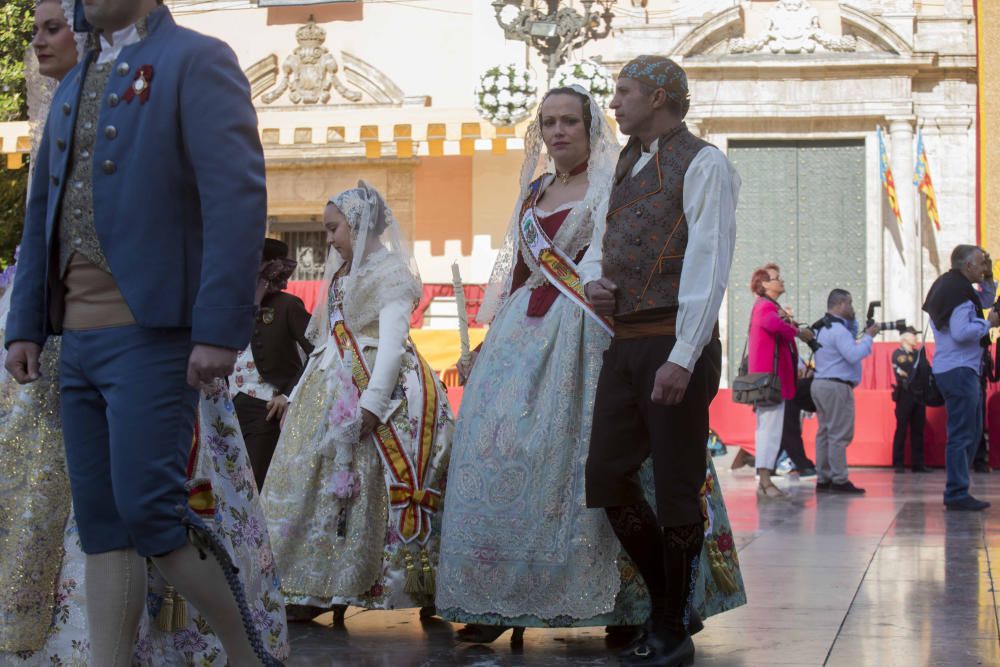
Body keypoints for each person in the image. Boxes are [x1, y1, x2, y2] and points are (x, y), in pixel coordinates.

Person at [1, 1, 288, 663]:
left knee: (153, 514)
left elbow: (236, 195)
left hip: (153, 334)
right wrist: (26, 324)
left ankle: (251, 655)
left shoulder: (198, 59)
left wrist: (218, 327)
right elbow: (44, 205)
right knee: (104, 527)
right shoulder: (74, 78)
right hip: (75, 342)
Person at [435, 85, 745, 645]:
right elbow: (518, 270)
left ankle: (629, 604)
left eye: (569, 122)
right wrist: (490, 334)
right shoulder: (534, 193)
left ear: (590, 127)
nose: (557, 132)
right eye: (548, 122)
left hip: (589, 334)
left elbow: (625, 257)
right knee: (500, 457)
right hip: (522, 338)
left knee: (588, 463)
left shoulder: (614, 185)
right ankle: (499, 597)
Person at [581, 56, 740, 667]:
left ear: (660, 95)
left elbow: (710, 263)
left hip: (676, 342)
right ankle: (670, 601)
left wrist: (684, 355)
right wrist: (596, 279)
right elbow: (600, 244)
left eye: (625, 92)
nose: (614, 103)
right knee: (606, 475)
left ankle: (670, 626)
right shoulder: (625, 165)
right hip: (625, 341)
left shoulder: (704, 163)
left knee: (676, 486)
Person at [262, 182, 453, 622]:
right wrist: (296, 394)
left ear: (361, 224)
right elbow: (326, 342)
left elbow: (391, 344)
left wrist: (371, 405)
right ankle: (307, 584)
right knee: (309, 480)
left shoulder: (390, 273)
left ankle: (389, 584)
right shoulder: (340, 274)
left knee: (367, 486)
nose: (329, 239)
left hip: (378, 389)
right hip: (328, 384)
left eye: (334, 229)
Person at [230, 238, 313, 490]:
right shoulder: (233, 306)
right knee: (228, 482)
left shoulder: (288, 305)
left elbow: (319, 352)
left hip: (265, 408)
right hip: (228, 406)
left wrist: (288, 394)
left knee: (255, 485)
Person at [923, 245, 999, 511]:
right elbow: (961, 331)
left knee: (971, 431)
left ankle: (959, 489)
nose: (983, 267)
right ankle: (956, 493)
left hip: (958, 368)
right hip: (958, 370)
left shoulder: (954, 286)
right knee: (962, 434)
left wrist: (988, 280)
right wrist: (989, 323)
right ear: (967, 266)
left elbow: (984, 302)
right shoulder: (958, 293)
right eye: (981, 264)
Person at [744, 263, 814, 497]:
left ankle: (765, 479)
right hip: (770, 381)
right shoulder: (765, 306)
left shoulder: (770, 307)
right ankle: (764, 481)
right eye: (775, 278)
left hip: (772, 380)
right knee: (769, 430)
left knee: (769, 429)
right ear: (764, 284)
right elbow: (772, 325)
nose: (780, 281)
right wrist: (796, 330)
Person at [810, 289, 878, 495]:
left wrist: (856, 324)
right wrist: (869, 337)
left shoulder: (823, 327)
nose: (852, 308)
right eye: (850, 304)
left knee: (824, 432)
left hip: (820, 383)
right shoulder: (838, 330)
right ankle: (839, 479)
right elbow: (853, 354)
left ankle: (824, 478)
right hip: (836, 386)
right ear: (840, 304)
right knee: (839, 434)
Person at [891, 329, 931, 473]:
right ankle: (898, 463)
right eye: (913, 335)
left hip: (919, 395)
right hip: (905, 394)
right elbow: (901, 372)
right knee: (901, 429)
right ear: (905, 338)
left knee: (918, 430)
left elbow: (925, 371)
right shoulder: (898, 354)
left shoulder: (918, 355)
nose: (915, 338)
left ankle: (918, 464)